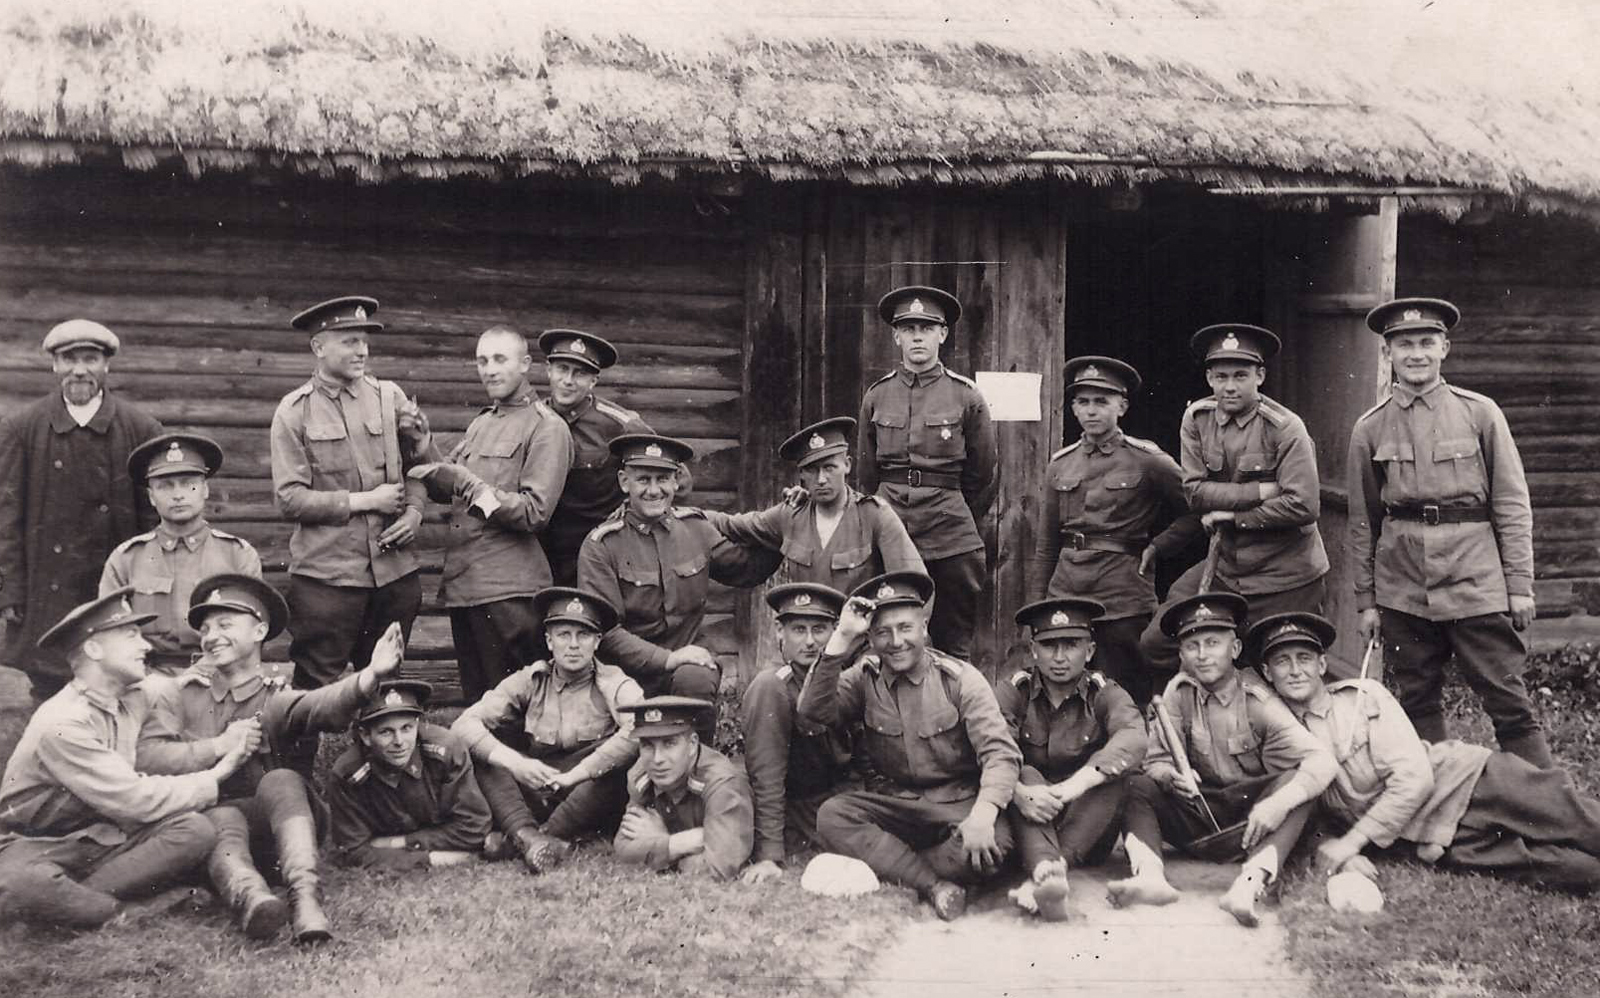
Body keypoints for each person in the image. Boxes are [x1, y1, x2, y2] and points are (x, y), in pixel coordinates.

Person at [1254, 611, 1600, 894]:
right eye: (1282, 661)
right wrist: (1341, 854)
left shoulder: (1363, 697)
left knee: (1577, 820)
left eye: (1304, 659)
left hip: (1467, 781)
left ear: (1321, 665)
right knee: (1576, 871)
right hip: (1423, 832)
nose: (1295, 671)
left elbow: (1415, 779)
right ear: (1268, 673)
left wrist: (1352, 842)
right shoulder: (1276, 737)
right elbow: (1306, 821)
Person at [136, 573, 402, 942]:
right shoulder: (180, 694)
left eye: (225, 625)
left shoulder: (275, 697)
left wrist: (368, 677)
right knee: (221, 814)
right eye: (205, 629)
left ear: (259, 631)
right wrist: (218, 747)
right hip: (212, 840)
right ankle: (251, 898)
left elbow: (317, 705)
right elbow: (148, 758)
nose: (211, 636)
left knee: (281, 780)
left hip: (282, 835)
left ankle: (305, 898)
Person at [1348, 298, 1552, 767]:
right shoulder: (1370, 427)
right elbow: (1363, 520)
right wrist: (1367, 601)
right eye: (1404, 345)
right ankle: (1439, 794)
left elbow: (1511, 504)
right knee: (1417, 699)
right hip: (1403, 586)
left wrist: (1519, 586)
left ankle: (1550, 800)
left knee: (1508, 701)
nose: (1416, 354)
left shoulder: (1480, 413)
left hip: (1474, 580)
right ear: (1388, 353)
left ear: (1445, 348)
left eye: (1426, 342)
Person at [0, 589, 249, 928]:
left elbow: (162, 685)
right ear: (94, 650)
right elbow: (136, 800)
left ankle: (72, 902)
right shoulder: (63, 723)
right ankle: (122, 911)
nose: (145, 646)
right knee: (21, 881)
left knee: (194, 829)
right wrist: (218, 771)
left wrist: (182, 682)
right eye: (131, 635)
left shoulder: (129, 693)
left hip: (102, 835)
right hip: (36, 842)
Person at [796, 571, 1021, 921]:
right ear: (870, 637)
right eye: (883, 632)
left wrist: (983, 815)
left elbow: (1000, 755)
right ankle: (934, 884)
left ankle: (894, 864)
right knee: (832, 816)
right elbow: (813, 709)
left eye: (905, 628)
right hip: (898, 807)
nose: (896, 642)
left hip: (956, 806)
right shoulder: (864, 677)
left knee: (993, 848)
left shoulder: (959, 679)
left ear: (924, 627)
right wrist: (841, 636)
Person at [1111, 592, 1336, 927]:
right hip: (1199, 815)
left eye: (1213, 643)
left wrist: (1276, 805)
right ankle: (1149, 875)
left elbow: (1322, 762)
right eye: (1192, 646)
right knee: (1134, 784)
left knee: (1297, 787)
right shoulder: (1177, 693)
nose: (1202, 655)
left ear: (1235, 649)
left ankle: (1249, 885)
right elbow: (1155, 761)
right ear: (1182, 654)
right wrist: (1170, 776)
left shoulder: (1258, 700)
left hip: (1252, 824)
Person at [1139, 324, 1330, 675]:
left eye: (1241, 376)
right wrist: (1262, 491)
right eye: (1221, 376)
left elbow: (1304, 505)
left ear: (1260, 376)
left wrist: (1232, 517)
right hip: (1226, 568)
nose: (1230, 386)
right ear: (1209, 378)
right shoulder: (1197, 419)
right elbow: (1194, 493)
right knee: (1159, 642)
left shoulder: (1285, 427)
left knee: (1281, 670)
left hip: (1285, 576)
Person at [409, 326, 574, 701]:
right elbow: (445, 485)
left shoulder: (547, 428)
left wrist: (471, 487)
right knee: (479, 707)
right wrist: (424, 445)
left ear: (525, 364)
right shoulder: (482, 423)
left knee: (511, 709)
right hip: (466, 588)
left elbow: (534, 512)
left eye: (500, 359)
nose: (489, 369)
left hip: (509, 593)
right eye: (482, 361)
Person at [0, 319, 163, 696]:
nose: (79, 370)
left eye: (90, 359)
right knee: (49, 685)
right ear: (54, 365)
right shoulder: (23, 428)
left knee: (117, 679)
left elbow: (151, 521)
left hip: (113, 585)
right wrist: (9, 591)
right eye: (69, 359)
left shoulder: (140, 429)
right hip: (46, 589)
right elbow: (6, 518)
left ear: (106, 365)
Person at [269, 295, 424, 691]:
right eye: (350, 341)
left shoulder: (391, 398)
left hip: (393, 576)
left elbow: (422, 466)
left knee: (386, 687)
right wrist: (365, 501)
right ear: (318, 347)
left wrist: (414, 513)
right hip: (328, 579)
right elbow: (289, 498)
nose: (362, 351)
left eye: (365, 341)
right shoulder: (294, 411)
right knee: (315, 689)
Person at [578, 433, 771, 742]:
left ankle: (698, 760)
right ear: (624, 482)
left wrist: (788, 525)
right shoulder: (601, 545)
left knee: (696, 678)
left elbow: (746, 569)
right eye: (643, 480)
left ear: (676, 481)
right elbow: (606, 632)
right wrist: (668, 659)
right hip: (625, 670)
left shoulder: (695, 528)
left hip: (688, 663)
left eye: (663, 479)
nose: (654, 490)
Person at [1028, 356, 1194, 704]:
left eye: (1102, 401)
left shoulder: (1147, 459)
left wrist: (1158, 547)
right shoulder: (1060, 463)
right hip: (1067, 590)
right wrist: (1040, 603)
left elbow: (1195, 511)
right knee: (1069, 689)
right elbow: (1047, 543)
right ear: (1073, 408)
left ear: (1122, 406)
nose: (1091, 411)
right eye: (1083, 402)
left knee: (1127, 690)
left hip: (1122, 595)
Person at [452, 587, 643, 874]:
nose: (573, 645)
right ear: (549, 641)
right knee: (483, 756)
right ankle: (531, 837)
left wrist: (576, 775)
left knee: (618, 765)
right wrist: (516, 764)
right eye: (564, 635)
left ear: (597, 642)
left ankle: (530, 837)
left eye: (583, 635)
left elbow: (640, 725)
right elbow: (463, 724)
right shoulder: (531, 679)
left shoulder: (614, 681)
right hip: (538, 785)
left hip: (587, 791)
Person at [857, 287, 998, 660]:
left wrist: (953, 509)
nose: (917, 336)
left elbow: (983, 474)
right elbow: (866, 472)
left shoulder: (966, 396)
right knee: (884, 630)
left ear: (943, 334)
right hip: (889, 522)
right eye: (908, 328)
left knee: (953, 641)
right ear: (896, 336)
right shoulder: (877, 396)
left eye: (927, 328)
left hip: (948, 528)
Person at [997, 597, 1148, 921]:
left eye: (1071, 645)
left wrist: (1074, 786)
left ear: (1089, 651)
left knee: (1115, 775)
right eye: (1049, 645)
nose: (1060, 657)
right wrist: (1020, 794)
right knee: (1025, 772)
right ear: (1033, 650)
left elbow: (1134, 736)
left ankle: (1051, 871)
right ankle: (1047, 871)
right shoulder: (1014, 690)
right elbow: (992, 745)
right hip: (1027, 820)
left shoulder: (1103, 692)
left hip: (1087, 828)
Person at [703, 417, 924, 597]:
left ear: (847, 465)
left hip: (859, 633)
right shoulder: (790, 514)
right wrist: (690, 515)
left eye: (829, 467)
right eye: (812, 469)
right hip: (808, 632)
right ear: (801, 473)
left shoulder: (874, 515)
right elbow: (731, 525)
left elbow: (912, 585)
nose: (821, 479)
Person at [99, 433, 261, 674]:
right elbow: (112, 636)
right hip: (148, 679)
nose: (178, 494)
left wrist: (202, 673)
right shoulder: (126, 559)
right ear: (151, 496)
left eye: (188, 483)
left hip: (220, 675)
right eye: (165, 486)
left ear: (205, 489)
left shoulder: (238, 555)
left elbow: (248, 635)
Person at [739, 583, 857, 884]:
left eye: (819, 629)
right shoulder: (772, 687)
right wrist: (769, 854)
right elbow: (767, 775)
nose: (810, 641)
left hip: (841, 802)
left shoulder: (844, 678)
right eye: (798, 630)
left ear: (835, 631)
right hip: (800, 811)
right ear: (780, 632)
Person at [327, 679, 494, 871]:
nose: (399, 742)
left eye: (406, 728)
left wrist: (398, 842)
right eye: (386, 732)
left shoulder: (445, 750)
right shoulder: (349, 774)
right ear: (365, 736)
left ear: (417, 725)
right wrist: (430, 859)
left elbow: (475, 827)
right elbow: (352, 850)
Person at [536, 329, 656, 587]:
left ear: (593, 381)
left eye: (579, 373)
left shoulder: (620, 425)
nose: (568, 380)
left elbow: (674, 481)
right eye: (562, 369)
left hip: (597, 555)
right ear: (548, 371)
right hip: (538, 555)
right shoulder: (531, 420)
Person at [613, 695, 754, 880]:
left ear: (692, 744)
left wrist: (658, 849)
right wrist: (676, 844)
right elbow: (623, 848)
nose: (657, 759)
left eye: (669, 744)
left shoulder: (721, 782)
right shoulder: (641, 774)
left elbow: (718, 867)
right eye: (648, 745)